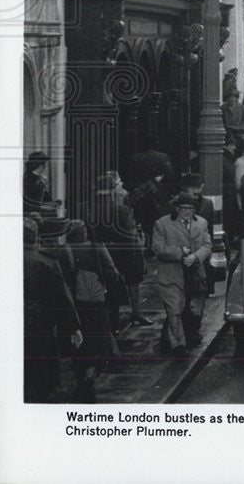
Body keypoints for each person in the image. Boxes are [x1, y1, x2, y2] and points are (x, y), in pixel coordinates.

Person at [23, 216, 83, 403]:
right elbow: (62, 298)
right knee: (41, 370)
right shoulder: (46, 262)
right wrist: (73, 327)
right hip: (39, 322)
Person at [84, 171, 150, 331]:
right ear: (113, 189)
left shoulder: (86, 208)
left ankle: (108, 323)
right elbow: (129, 237)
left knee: (105, 288)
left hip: (96, 251)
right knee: (132, 281)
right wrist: (137, 254)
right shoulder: (121, 209)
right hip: (121, 253)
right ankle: (133, 314)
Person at [66, 220, 121, 401]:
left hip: (73, 303)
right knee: (96, 341)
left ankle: (80, 379)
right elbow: (111, 272)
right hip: (94, 301)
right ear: (85, 234)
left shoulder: (65, 251)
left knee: (78, 344)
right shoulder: (96, 247)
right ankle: (89, 380)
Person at [152, 193, 211, 354]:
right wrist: (180, 253)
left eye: (190, 209)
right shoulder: (162, 224)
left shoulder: (201, 223)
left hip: (195, 275)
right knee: (174, 309)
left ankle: (190, 337)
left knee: (194, 310)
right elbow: (157, 248)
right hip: (172, 275)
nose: (186, 212)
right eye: (183, 209)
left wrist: (196, 256)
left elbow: (207, 245)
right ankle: (178, 345)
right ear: (177, 208)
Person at [129, 146, 176, 254]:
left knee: (145, 221)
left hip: (142, 196)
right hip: (158, 194)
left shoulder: (136, 158)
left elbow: (132, 177)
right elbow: (170, 175)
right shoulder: (163, 157)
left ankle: (149, 245)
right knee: (159, 220)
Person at [24, 151, 60, 218]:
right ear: (40, 165)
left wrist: (54, 202)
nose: (46, 166)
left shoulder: (41, 180)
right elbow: (29, 204)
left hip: (38, 210)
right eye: (45, 164)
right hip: (31, 214)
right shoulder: (28, 180)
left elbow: (46, 199)